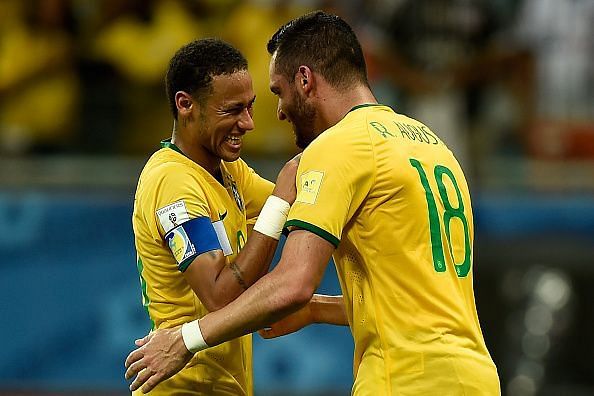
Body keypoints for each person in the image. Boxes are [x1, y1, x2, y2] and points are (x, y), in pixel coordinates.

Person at [125, 11, 500, 395]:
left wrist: (185, 339)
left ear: (304, 80)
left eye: (277, 93)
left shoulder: (338, 148)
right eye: (235, 109)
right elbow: (410, 302)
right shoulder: (431, 145)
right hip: (474, 375)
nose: (276, 114)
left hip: (404, 378)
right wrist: (319, 308)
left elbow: (292, 282)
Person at [129, 37, 298, 395]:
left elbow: (297, 209)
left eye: (250, 107)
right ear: (185, 104)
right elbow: (219, 295)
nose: (248, 123)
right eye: (232, 110)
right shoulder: (173, 183)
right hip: (187, 385)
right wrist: (281, 201)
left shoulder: (228, 171)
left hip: (221, 385)